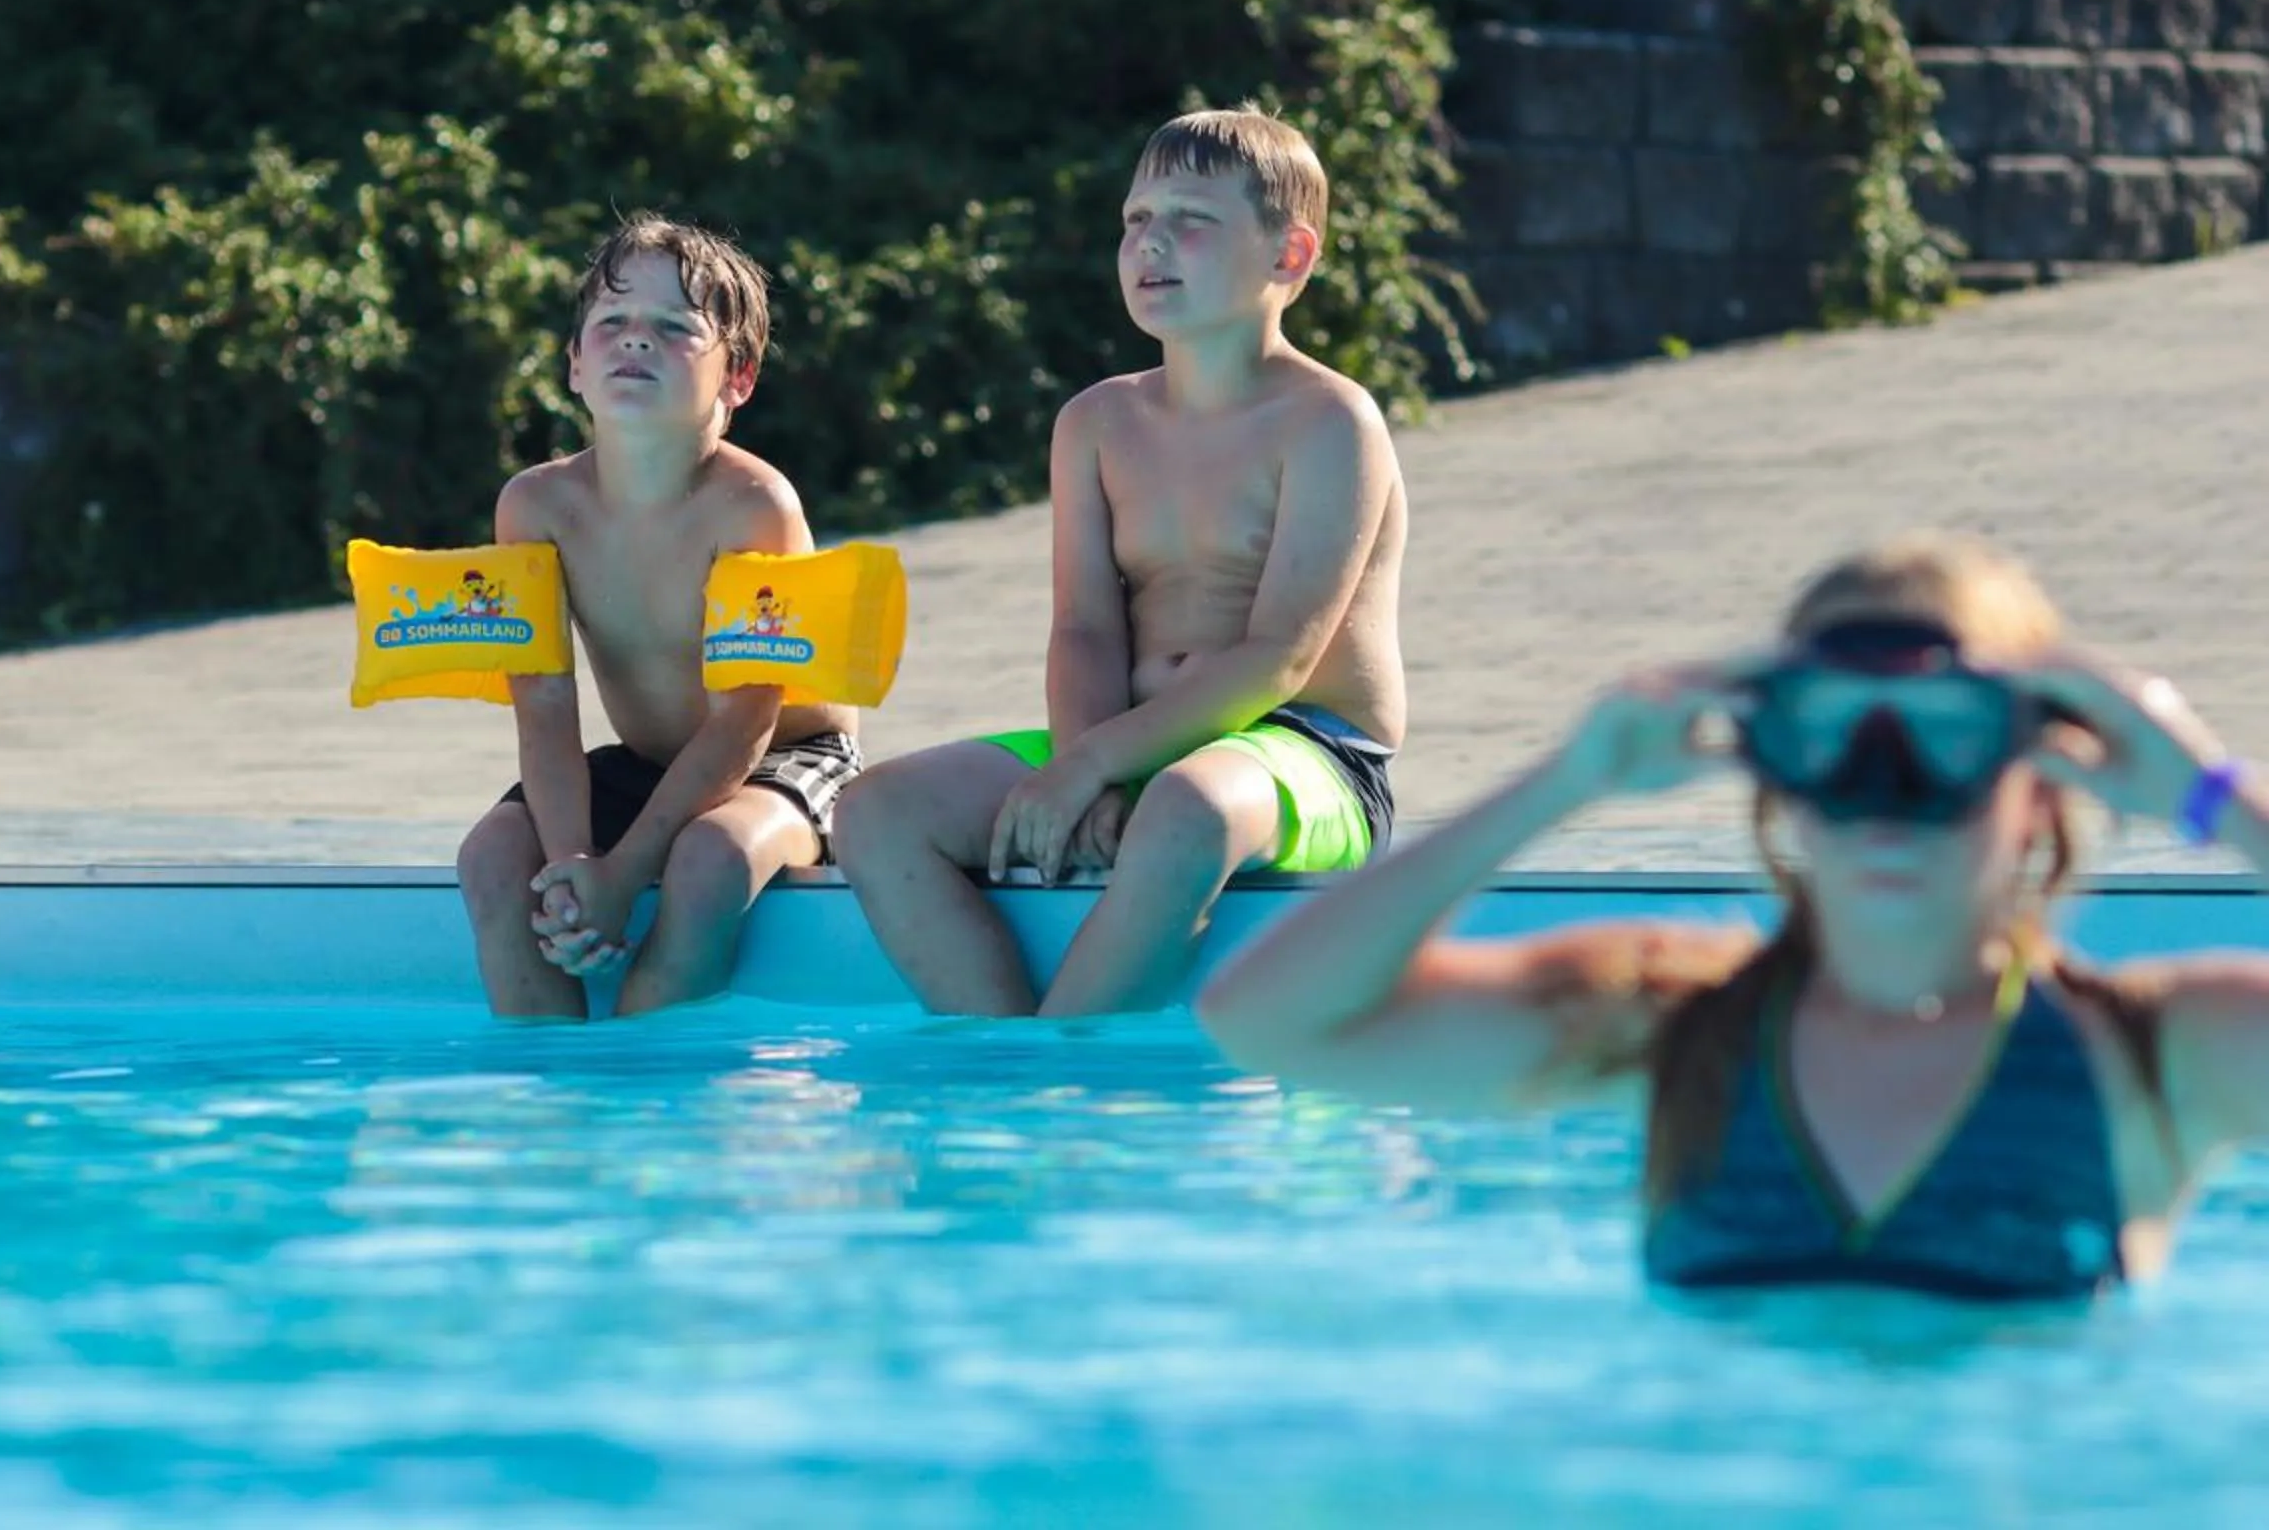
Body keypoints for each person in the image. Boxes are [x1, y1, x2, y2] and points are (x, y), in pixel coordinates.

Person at [1196, 532, 2269, 1301]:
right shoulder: (1672, 1022)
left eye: (1946, 733)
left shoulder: (2156, 1053)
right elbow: (1267, 1021)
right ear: (1775, 763)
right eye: (1831, 731)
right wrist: (1566, 780)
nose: (1883, 790)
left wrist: (2210, 791)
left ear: (2041, 777)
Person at [831, 107, 1406, 1018]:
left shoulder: (1330, 423)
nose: (1151, 243)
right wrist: (1085, 761)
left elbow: (1280, 658)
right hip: (1131, 741)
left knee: (1184, 809)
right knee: (876, 812)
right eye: (1137, 219)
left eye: (1191, 220)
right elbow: (1085, 629)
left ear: (1288, 255)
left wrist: (1097, 764)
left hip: (1310, 752)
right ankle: (999, 1054)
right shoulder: (1098, 423)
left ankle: (1068, 1067)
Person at [455, 215, 863, 1018]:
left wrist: (625, 871)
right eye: (612, 321)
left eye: (675, 328)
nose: (636, 339)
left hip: (786, 760)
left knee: (710, 859)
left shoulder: (755, 506)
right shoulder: (535, 506)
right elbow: (544, 705)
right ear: (575, 365)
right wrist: (574, 865)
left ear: (738, 378)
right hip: (645, 762)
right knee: (493, 858)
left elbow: (747, 719)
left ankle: (652, 1069)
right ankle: (549, 1072)